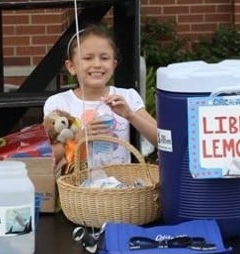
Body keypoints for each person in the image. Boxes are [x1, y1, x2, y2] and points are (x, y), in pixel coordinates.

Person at [43, 24, 157, 167]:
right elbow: (48, 158)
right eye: (88, 58)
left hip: (120, 186)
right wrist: (79, 138)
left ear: (114, 65)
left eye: (104, 58)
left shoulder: (127, 96)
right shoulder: (58, 103)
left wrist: (130, 115)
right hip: (76, 187)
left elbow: (161, 140)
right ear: (71, 67)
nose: (97, 64)